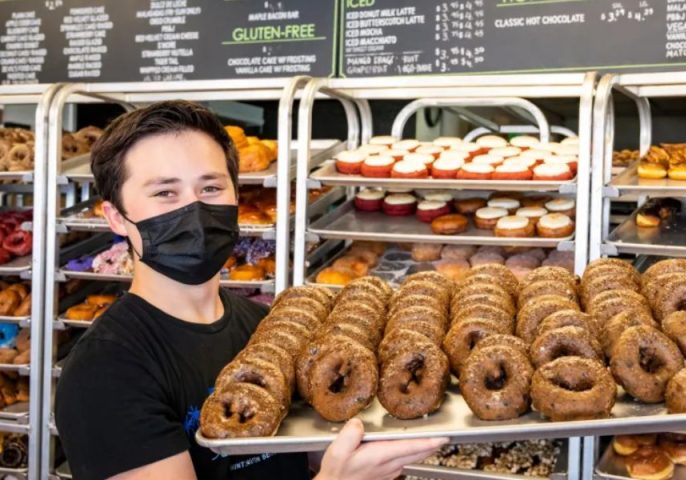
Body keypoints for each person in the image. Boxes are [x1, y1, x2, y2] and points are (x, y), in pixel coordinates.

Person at [55, 100, 447, 480]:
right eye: (164, 193)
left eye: (210, 188)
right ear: (116, 217)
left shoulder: (267, 328)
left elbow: (301, 453)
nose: (194, 209)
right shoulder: (105, 372)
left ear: (236, 196)